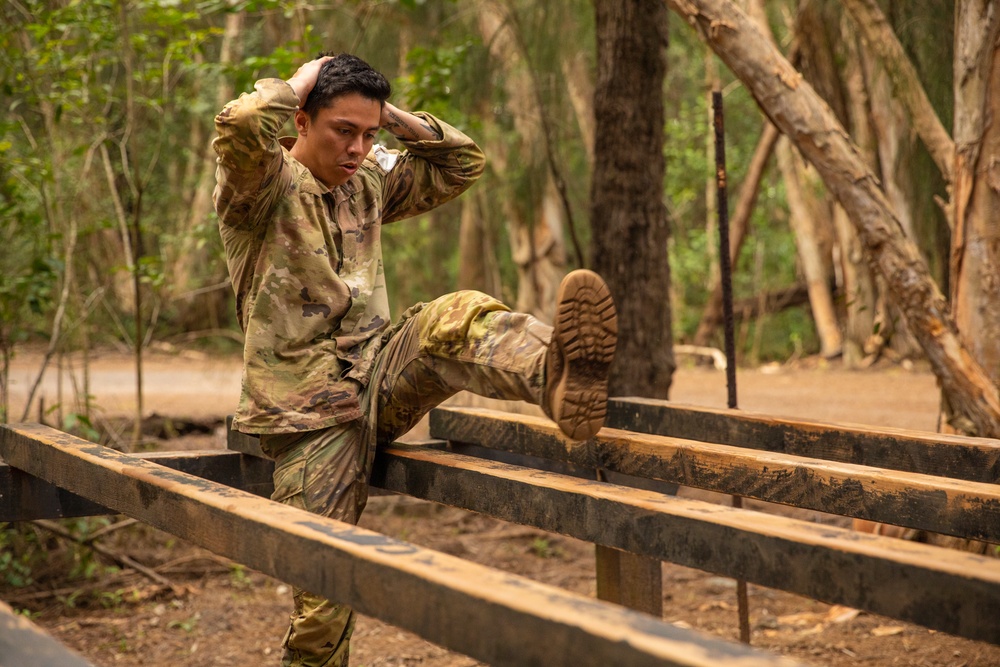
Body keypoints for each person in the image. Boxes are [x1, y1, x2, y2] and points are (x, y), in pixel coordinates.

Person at [212, 52, 617, 666]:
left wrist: (389, 117)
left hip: (378, 369)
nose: (355, 148)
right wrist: (306, 76)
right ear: (300, 120)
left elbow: (462, 163)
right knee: (325, 591)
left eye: (366, 135)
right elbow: (241, 125)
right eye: (341, 131)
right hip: (307, 411)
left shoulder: (367, 182)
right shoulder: (259, 187)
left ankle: (553, 373)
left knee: (453, 315)